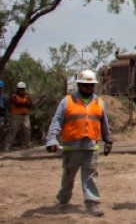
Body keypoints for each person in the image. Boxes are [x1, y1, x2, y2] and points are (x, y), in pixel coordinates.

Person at [46, 70, 113, 217]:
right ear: (80, 85)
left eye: (92, 86)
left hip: (91, 147)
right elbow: (56, 121)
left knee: (90, 177)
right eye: (86, 86)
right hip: (71, 148)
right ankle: (63, 201)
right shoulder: (67, 101)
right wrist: (52, 139)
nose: (90, 89)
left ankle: (92, 204)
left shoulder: (99, 102)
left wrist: (108, 140)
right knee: (68, 177)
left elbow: (104, 124)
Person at [3, 81, 34, 151]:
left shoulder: (27, 96)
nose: (21, 90)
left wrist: (22, 104)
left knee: (27, 129)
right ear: (17, 89)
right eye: (20, 89)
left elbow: (30, 104)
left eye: (23, 89)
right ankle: (6, 146)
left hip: (25, 115)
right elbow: (15, 103)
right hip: (15, 115)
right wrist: (24, 103)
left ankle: (27, 144)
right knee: (13, 130)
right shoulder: (14, 96)